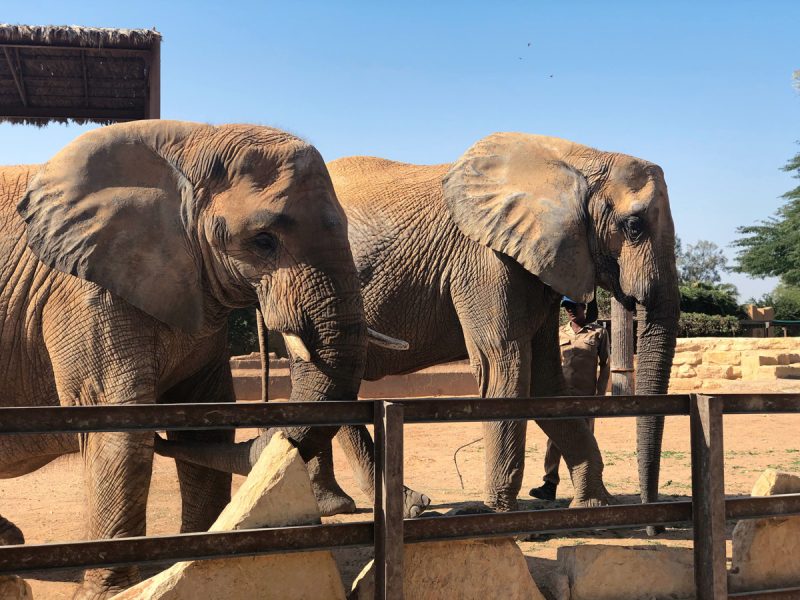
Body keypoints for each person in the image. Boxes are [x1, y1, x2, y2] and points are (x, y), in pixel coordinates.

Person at [529, 297, 610, 501]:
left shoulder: (598, 333)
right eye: (567, 307)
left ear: (584, 307)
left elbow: (605, 364)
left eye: (574, 306)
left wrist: (599, 394)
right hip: (561, 394)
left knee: (585, 439)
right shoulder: (557, 333)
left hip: (586, 397)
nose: (570, 311)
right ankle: (549, 484)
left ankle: (586, 486)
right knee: (555, 439)